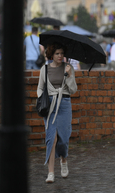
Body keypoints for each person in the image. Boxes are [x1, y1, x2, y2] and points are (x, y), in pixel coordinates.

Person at [37, 42, 77, 183]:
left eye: (61, 53)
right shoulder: (45, 69)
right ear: (51, 55)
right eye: (57, 53)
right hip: (50, 105)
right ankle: (51, 172)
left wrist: (69, 75)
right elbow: (40, 88)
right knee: (51, 139)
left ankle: (64, 160)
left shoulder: (69, 67)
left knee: (64, 139)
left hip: (65, 104)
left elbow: (73, 90)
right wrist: (42, 100)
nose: (60, 56)